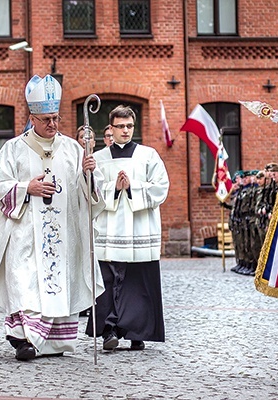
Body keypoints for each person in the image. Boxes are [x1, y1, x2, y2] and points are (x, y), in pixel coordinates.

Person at [0, 74, 105, 361]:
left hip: (62, 235)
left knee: (56, 283)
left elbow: (89, 195)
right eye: (46, 119)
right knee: (24, 282)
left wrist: (89, 172)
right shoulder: (13, 149)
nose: (53, 124)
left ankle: (46, 343)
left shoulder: (74, 149)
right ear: (32, 118)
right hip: (24, 232)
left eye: (56, 118)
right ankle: (25, 339)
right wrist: (28, 187)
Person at [86, 105, 169, 351]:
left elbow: (161, 187)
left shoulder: (149, 155)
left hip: (139, 230)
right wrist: (113, 187)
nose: (125, 130)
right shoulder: (98, 159)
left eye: (129, 126)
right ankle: (109, 330)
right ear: (110, 129)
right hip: (109, 231)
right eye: (120, 126)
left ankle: (137, 331)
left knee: (138, 281)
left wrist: (132, 188)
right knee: (109, 280)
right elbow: (91, 194)